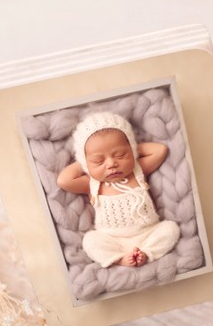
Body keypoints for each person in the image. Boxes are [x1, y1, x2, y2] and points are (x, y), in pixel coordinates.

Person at [57, 110, 180, 268]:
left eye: (120, 155)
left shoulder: (137, 171)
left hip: (148, 233)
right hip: (112, 240)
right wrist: (84, 161)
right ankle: (121, 258)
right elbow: (63, 180)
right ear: (86, 163)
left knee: (170, 229)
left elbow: (160, 150)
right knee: (90, 240)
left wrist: (133, 149)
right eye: (98, 161)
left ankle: (146, 253)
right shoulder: (92, 183)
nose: (111, 164)